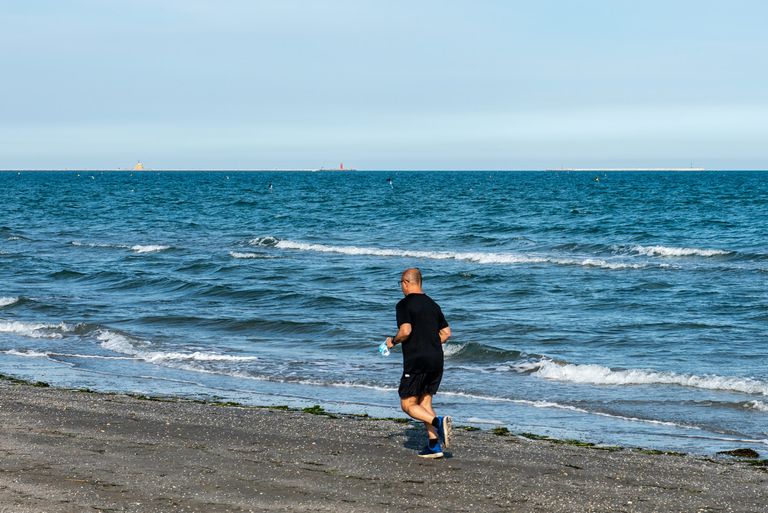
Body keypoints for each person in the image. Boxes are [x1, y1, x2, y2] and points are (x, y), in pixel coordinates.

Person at [386, 268, 452, 458]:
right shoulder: (433, 305)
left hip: (417, 360)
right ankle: (434, 446)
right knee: (424, 401)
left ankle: (438, 422)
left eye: (401, 284)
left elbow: (405, 330)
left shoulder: (404, 305)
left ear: (406, 283)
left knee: (407, 404)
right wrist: (429, 343)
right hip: (436, 359)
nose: (401, 288)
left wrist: (393, 341)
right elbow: (446, 333)